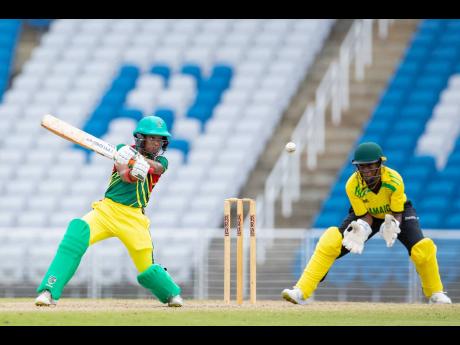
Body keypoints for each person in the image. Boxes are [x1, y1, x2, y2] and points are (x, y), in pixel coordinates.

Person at [35, 116, 184, 307]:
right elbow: (126, 177)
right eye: (152, 138)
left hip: (134, 219)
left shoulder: (162, 160)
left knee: (147, 266)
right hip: (107, 211)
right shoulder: (123, 151)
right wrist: (130, 164)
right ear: (141, 138)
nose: (157, 143)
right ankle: (48, 291)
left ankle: (171, 294)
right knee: (76, 234)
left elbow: (158, 168)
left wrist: (139, 161)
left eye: (160, 139)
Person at [282, 142, 452, 305]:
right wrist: (363, 228)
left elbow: (397, 211)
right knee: (330, 241)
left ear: (380, 163)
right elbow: (365, 215)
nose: (367, 171)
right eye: (362, 167)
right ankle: (301, 291)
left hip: (396, 213)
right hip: (368, 214)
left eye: (371, 166)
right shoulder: (352, 184)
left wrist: (393, 224)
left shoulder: (394, 180)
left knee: (422, 248)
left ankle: (436, 293)